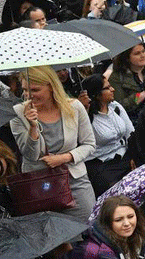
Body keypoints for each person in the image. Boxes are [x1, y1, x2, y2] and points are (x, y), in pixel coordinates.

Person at [10, 66, 96, 222]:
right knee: (53, 241)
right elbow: (31, 154)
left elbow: (89, 144)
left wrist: (64, 158)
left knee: (86, 231)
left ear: (51, 87)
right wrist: (33, 127)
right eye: (25, 90)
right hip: (39, 186)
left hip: (74, 181)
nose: (28, 95)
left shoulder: (74, 107)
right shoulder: (17, 114)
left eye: (35, 90)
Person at [82, 74, 134, 197]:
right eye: (107, 88)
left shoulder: (116, 107)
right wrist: (84, 110)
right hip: (100, 164)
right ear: (96, 94)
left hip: (123, 157)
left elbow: (130, 133)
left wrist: (133, 156)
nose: (113, 89)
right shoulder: (86, 116)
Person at [68, 195, 145, 259]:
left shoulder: (141, 236)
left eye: (130, 217)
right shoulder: (94, 250)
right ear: (107, 223)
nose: (127, 223)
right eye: (118, 220)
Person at [108, 44, 145, 125]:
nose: (143, 55)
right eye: (137, 53)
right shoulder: (117, 77)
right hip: (135, 122)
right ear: (127, 58)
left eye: (143, 51)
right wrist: (141, 95)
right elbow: (119, 106)